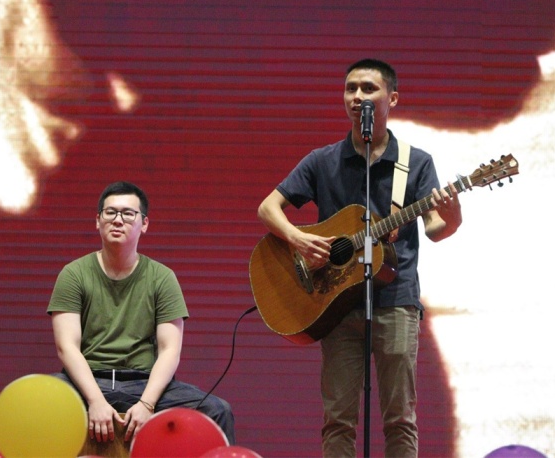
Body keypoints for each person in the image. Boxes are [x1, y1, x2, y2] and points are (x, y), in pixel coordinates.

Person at [257, 58, 463, 457]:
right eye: (350, 88)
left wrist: (452, 215)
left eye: (369, 88)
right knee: (338, 419)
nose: (357, 96)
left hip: (396, 299)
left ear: (392, 98)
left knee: (400, 418)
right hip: (336, 302)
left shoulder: (416, 162)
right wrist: (299, 239)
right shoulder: (323, 160)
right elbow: (268, 208)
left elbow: (436, 228)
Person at [47, 181, 235, 444]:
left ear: (144, 224)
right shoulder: (73, 274)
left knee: (217, 410)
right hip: (87, 380)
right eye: (110, 212)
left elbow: (170, 350)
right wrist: (95, 401)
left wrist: (147, 404)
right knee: (33, 400)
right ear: (98, 221)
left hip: (143, 382)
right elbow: (67, 347)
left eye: (128, 214)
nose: (118, 220)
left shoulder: (162, 277)